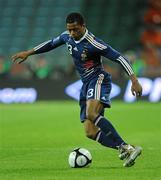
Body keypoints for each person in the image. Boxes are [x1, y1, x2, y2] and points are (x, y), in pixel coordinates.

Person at [11, 12, 143, 167]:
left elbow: (119, 58)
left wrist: (134, 80)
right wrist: (29, 52)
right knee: (90, 132)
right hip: (85, 83)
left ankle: (125, 146)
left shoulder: (94, 43)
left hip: (98, 79)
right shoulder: (67, 36)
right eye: (70, 29)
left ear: (83, 26)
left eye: (75, 29)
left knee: (91, 113)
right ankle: (128, 148)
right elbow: (50, 44)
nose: (72, 33)